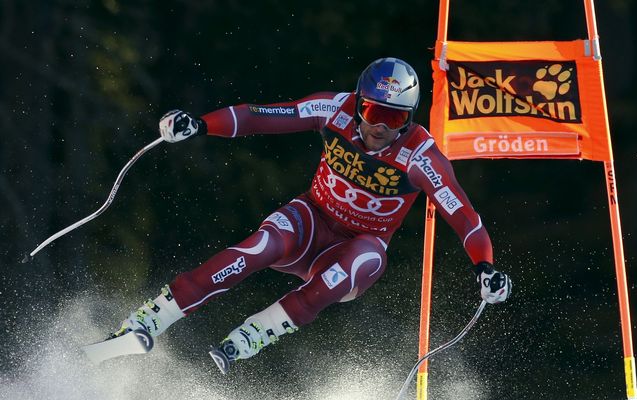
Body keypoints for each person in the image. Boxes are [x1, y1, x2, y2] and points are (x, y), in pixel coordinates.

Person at [112, 57, 511, 373]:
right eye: (373, 112)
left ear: (409, 117)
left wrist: (485, 267)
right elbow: (261, 116)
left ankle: (257, 332)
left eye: (394, 118)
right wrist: (199, 125)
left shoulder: (421, 158)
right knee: (257, 248)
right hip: (311, 221)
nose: (380, 127)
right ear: (358, 102)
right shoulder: (335, 109)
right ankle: (151, 318)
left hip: (354, 249)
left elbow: (465, 217)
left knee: (356, 263)